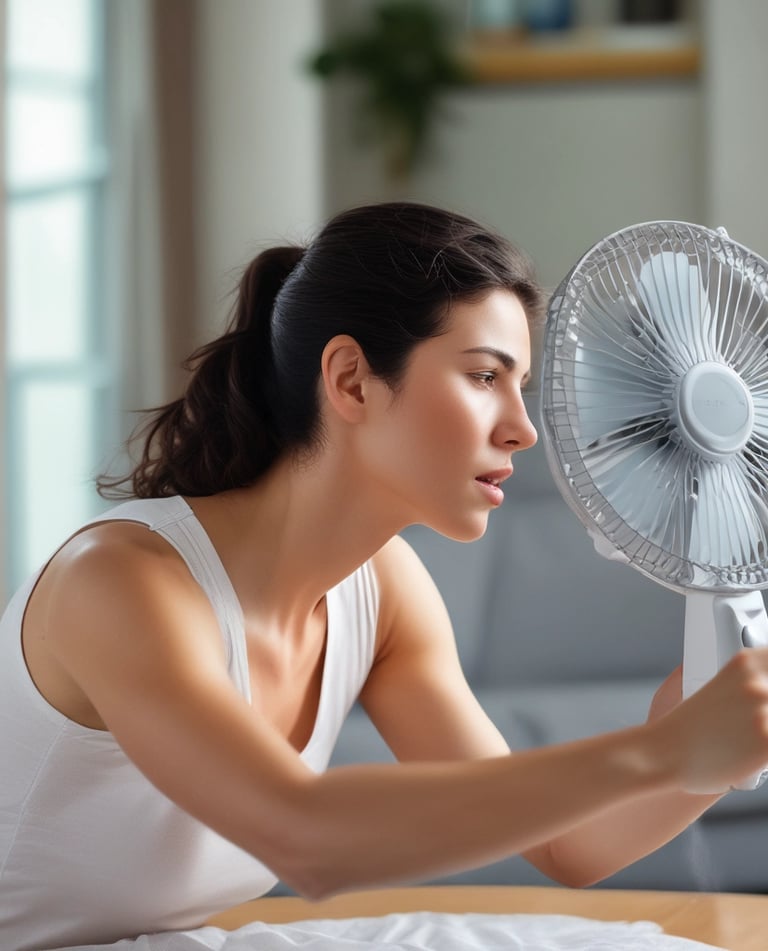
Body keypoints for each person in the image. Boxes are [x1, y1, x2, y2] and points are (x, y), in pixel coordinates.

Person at [2, 201, 768, 951]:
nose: (523, 428)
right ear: (351, 380)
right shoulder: (119, 582)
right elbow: (303, 835)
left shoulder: (382, 589)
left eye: (519, 384)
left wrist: (701, 734)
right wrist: (662, 753)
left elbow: (565, 846)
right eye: (483, 376)